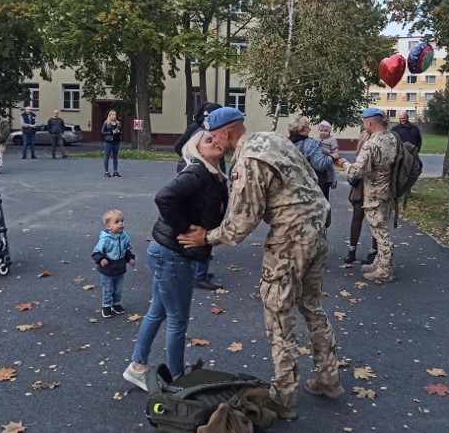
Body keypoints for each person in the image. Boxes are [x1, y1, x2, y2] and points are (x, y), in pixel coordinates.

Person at [177, 107, 342, 421]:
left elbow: (241, 223)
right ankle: (329, 378)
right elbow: (309, 177)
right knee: (311, 306)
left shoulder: (248, 160)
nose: (210, 140)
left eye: (212, 135)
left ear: (226, 132)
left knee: (279, 319)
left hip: (290, 242)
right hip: (318, 232)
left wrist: (207, 237)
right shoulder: (274, 139)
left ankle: (284, 399)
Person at [123, 130, 229, 391]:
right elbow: (164, 197)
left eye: (217, 139)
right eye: (208, 140)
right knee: (177, 319)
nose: (215, 142)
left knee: (158, 312)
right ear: (197, 149)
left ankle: (137, 367)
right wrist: (186, 229)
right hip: (171, 254)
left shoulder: (213, 175)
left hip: (166, 252)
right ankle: (177, 382)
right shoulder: (197, 173)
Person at [339, 107, 397, 283]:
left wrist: (344, 163)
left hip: (374, 195)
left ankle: (385, 271)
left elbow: (356, 171)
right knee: (381, 228)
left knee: (381, 233)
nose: (364, 126)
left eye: (364, 123)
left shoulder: (371, 144)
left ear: (370, 122)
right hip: (387, 191)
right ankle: (379, 264)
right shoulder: (391, 138)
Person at [174, 102, 224, 290]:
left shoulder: (203, 134)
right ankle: (198, 274)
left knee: (205, 227)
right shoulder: (200, 133)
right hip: (202, 194)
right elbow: (165, 199)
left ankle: (198, 270)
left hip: (208, 188)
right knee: (203, 228)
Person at [91, 209, 136, 318]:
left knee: (118, 288)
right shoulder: (105, 239)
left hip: (119, 268)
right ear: (108, 226)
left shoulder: (124, 237)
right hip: (107, 269)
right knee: (108, 289)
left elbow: (126, 250)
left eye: (122, 221)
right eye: (116, 222)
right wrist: (101, 259)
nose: (121, 223)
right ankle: (106, 307)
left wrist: (130, 258)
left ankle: (116, 304)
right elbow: (96, 252)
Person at [343, 130, 378, 265]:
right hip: (360, 187)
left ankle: (374, 251)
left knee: (374, 220)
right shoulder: (363, 145)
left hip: (373, 188)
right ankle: (352, 250)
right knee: (357, 217)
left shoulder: (378, 143)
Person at [287, 116, 335, 201]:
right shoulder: (310, 144)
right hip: (310, 188)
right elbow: (321, 164)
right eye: (307, 127)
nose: (309, 130)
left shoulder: (285, 143)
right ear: (302, 129)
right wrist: (332, 157)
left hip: (290, 186)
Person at [313, 120, 339, 192]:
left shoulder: (332, 140)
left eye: (325, 131)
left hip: (327, 157)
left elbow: (335, 150)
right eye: (321, 130)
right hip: (317, 158)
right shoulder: (315, 139)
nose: (323, 132)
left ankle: (333, 180)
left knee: (331, 168)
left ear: (329, 132)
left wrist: (333, 156)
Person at [101, 110, 122, 178]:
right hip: (108, 142)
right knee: (107, 156)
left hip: (116, 142)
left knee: (115, 156)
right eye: (112, 115)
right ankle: (106, 172)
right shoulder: (106, 123)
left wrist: (118, 131)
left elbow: (120, 131)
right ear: (109, 116)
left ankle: (115, 171)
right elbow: (102, 132)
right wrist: (111, 132)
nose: (114, 116)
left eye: (115, 115)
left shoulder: (118, 123)